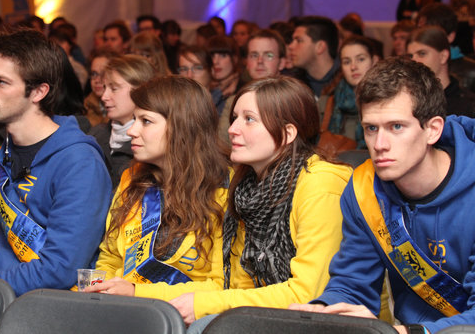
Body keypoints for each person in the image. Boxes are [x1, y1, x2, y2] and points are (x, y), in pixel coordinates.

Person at [290, 56, 475, 334]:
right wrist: (327, 312)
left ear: (433, 130)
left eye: (396, 127)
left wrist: (405, 332)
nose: (380, 144)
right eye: (371, 128)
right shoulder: (364, 187)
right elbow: (353, 284)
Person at [170, 76, 352, 331]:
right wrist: (139, 295)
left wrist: (205, 304)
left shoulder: (320, 184)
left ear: (288, 133)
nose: (232, 129)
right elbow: (233, 285)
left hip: (333, 323)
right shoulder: (246, 189)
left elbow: (308, 295)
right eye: (234, 117)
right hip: (273, 319)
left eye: (249, 119)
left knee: (206, 326)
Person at [84, 76, 229, 301]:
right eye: (134, 119)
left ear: (183, 125)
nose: (132, 131)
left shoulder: (223, 190)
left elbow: (222, 287)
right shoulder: (132, 180)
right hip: (122, 311)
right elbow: (110, 259)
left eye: (146, 121)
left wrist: (137, 292)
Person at [0, 29, 112, 296]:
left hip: (48, 307)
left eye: (1, 82)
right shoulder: (6, 150)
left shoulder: (79, 163)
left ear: (38, 92)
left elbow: (60, 269)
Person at [89, 55, 157, 189]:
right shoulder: (95, 135)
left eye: (114, 89)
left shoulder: (152, 145)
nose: (104, 97)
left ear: (140, 90)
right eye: (105, 88)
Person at [323, 36, 379, 149]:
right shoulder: (328, 103)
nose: (353, 67)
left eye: (361, 59)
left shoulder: (388, 103)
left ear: (374, 61)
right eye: (347, 62)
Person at [407, 26, 475, 118]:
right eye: (411, 56)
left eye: (422, 53)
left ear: (443, 56)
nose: (414, 60)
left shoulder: (468, 105)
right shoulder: (407, 101)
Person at [417, 3, 475, 91]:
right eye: (420, 30)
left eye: (433, 33)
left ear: (450, 36)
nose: (425, 38)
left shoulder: (471, 71)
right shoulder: (412, 67)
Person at [288, 16, 340, 98]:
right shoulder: (294, 84)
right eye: (292, 41)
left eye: (299, 40)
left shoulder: (348, 82)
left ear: (320, 47)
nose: (290, 46)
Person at [84, 48, 119, 127]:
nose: (97, 80)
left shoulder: (123, 111)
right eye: (94, 74)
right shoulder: (85, 107)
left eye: (103, 74)